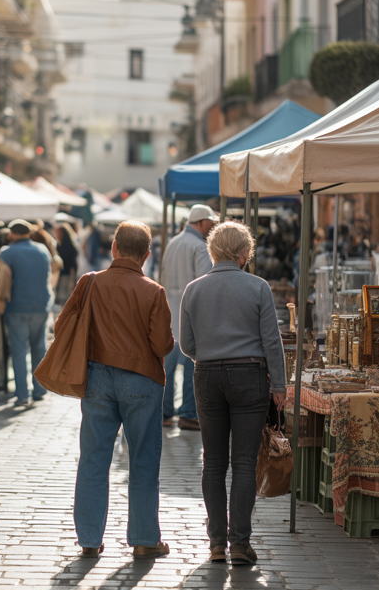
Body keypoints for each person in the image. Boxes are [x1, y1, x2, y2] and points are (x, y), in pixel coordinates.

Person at [64, 221, 174, 559]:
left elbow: (64, 323)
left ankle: (89, 538)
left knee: (94, 458)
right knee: (142, 459)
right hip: (141, 379)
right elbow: (162, 344)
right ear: (146, 254)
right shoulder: (153, 291)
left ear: (113, 248)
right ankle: (143, 538)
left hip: (97, 377)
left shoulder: (90, 282)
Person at [179, 221, 287, 567]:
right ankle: (239, 543)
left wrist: (211, 357)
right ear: (244, 253)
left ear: (212, 251)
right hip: (249, 375)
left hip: (207, 375)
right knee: (243, 462)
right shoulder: (257, 287)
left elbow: (187, 345)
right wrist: (279, 385)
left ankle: (216, 543)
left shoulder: (193, 289)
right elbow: (272, 340)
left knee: (212, 462)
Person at [160, 204, 217, 430]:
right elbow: (203, 284)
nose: (211, 229)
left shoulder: (172, 243)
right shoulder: (200, 247)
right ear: (202, 223)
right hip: (190, 318)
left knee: (169, 368)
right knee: (192, 368)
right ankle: (188, 413)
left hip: (170, 315)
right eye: (210, 225)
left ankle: (165, 413)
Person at [0, 219, 53, 407]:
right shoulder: (42, 250)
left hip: (16, 307)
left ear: (12, 234)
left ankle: (22, 394)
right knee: (39, 348)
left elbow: (0, 282)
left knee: (19, 351)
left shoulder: (7, 253)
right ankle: (39, 390)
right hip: (41, 306)